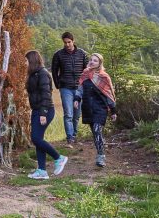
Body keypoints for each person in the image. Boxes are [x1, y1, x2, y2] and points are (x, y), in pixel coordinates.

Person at [25, 50, 67, 179]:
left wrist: (43, 113)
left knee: (36, 139)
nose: (24, 63)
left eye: (26, 60)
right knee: (38, 140)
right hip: (37, 110)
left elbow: (46, 94)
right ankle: (42, 171)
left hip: (45, 110)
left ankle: (58, 158)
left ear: (32, 60)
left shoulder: (42, 74)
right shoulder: (34, 74)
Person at [73, 52, 117, 167]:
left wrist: (113, 110)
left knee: (97, 130)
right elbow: (80, 89)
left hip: (100, 108)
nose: (92, 62)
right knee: (95, 133)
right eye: (91, 60)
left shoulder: (104, 77)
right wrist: (76, 99)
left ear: (100, 63)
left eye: (95, 60)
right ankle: (101, 146)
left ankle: (101, 157)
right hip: (87, 107)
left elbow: (108, 95)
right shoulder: (85, 75)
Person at [50, 31, 89, 147]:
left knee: (77, 115)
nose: (67, 44)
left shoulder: (82, 54)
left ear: (73, 41)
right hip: (65, 88)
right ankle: (70, 138)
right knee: (68, 114)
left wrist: (85, 85)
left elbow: (87, 71)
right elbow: (54, 70)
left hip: (79, 88)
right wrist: (58, 85)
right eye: (65, 42)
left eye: (69, 42)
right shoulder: (58, 55)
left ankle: (74, 135)